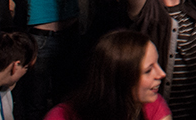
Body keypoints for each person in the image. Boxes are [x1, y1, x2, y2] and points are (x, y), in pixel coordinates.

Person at [42, 31, 170, 120]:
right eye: (148, 70)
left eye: (157, 63)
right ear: (121, 78)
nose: (162, 74)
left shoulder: (152, 103)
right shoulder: (61, 116)